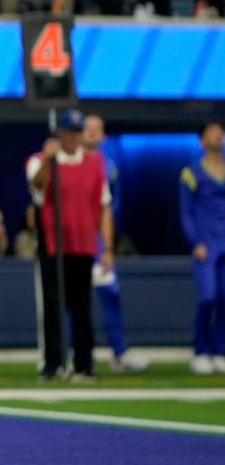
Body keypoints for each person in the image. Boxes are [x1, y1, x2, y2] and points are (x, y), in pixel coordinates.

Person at [27, 109, 112, 381]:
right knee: (53, 305)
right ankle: (53, 364)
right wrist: (49, 161)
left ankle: (84, 364)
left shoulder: (97, 163)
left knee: (82, 307)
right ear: (59, 133)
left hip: (84, 244)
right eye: (68, 132)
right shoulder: (40, 161)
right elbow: (37, 190)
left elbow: (103, 206)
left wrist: (107, 247)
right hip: (53, 244)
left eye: (77, 132)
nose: (73, 138)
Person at [83, 113, 149, 373]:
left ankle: (119, 352)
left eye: (96, 129)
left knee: (110, 292)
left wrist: (108, 246)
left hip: (98, 240)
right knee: (73, 300)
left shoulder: (109, 166)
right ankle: (66, 353)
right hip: (72, 239)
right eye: (87, 128)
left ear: (103, 135)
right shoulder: (67, 162)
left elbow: (111, 207)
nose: (91, 133)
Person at [179, 121, 225, 375]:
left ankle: (219, 350)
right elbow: (185, 212)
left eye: (220, 133)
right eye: (212, 133)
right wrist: (195, 241)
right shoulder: (191, 173)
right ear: (201, 140)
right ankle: (200, 350)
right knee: (208, 297)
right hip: (206, 244)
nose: (218, 137)